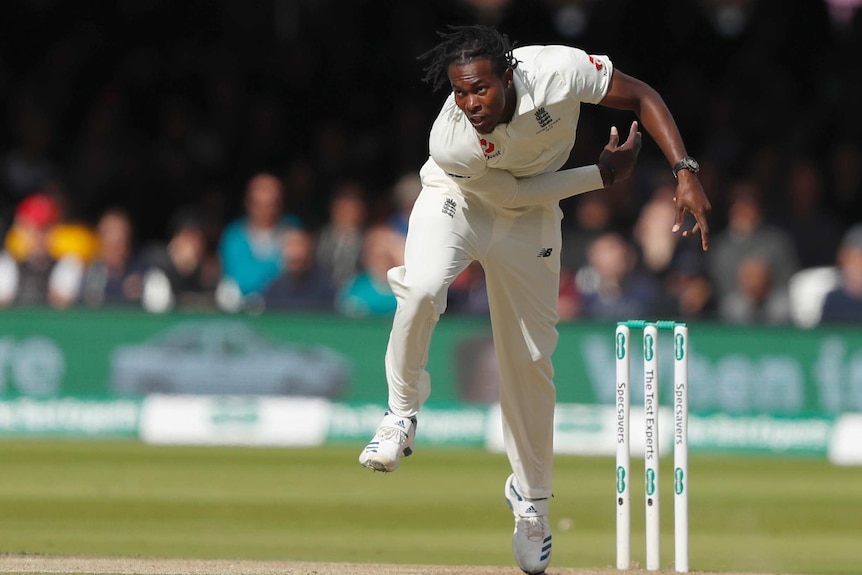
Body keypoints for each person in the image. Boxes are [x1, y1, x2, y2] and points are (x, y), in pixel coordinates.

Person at [357, 25, 710, 575]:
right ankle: (401, 414)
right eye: (460, 93)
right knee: (422, 287)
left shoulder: (558, 70)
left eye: (481, 90)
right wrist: (600, 175)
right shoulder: (451, 137)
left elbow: (642, 95)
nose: (471, 104)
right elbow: (512, 194)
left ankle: (531, 503)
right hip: (461, 201)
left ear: (508, 73)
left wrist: (684, 170)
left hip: (533, 220)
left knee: (529, 360)